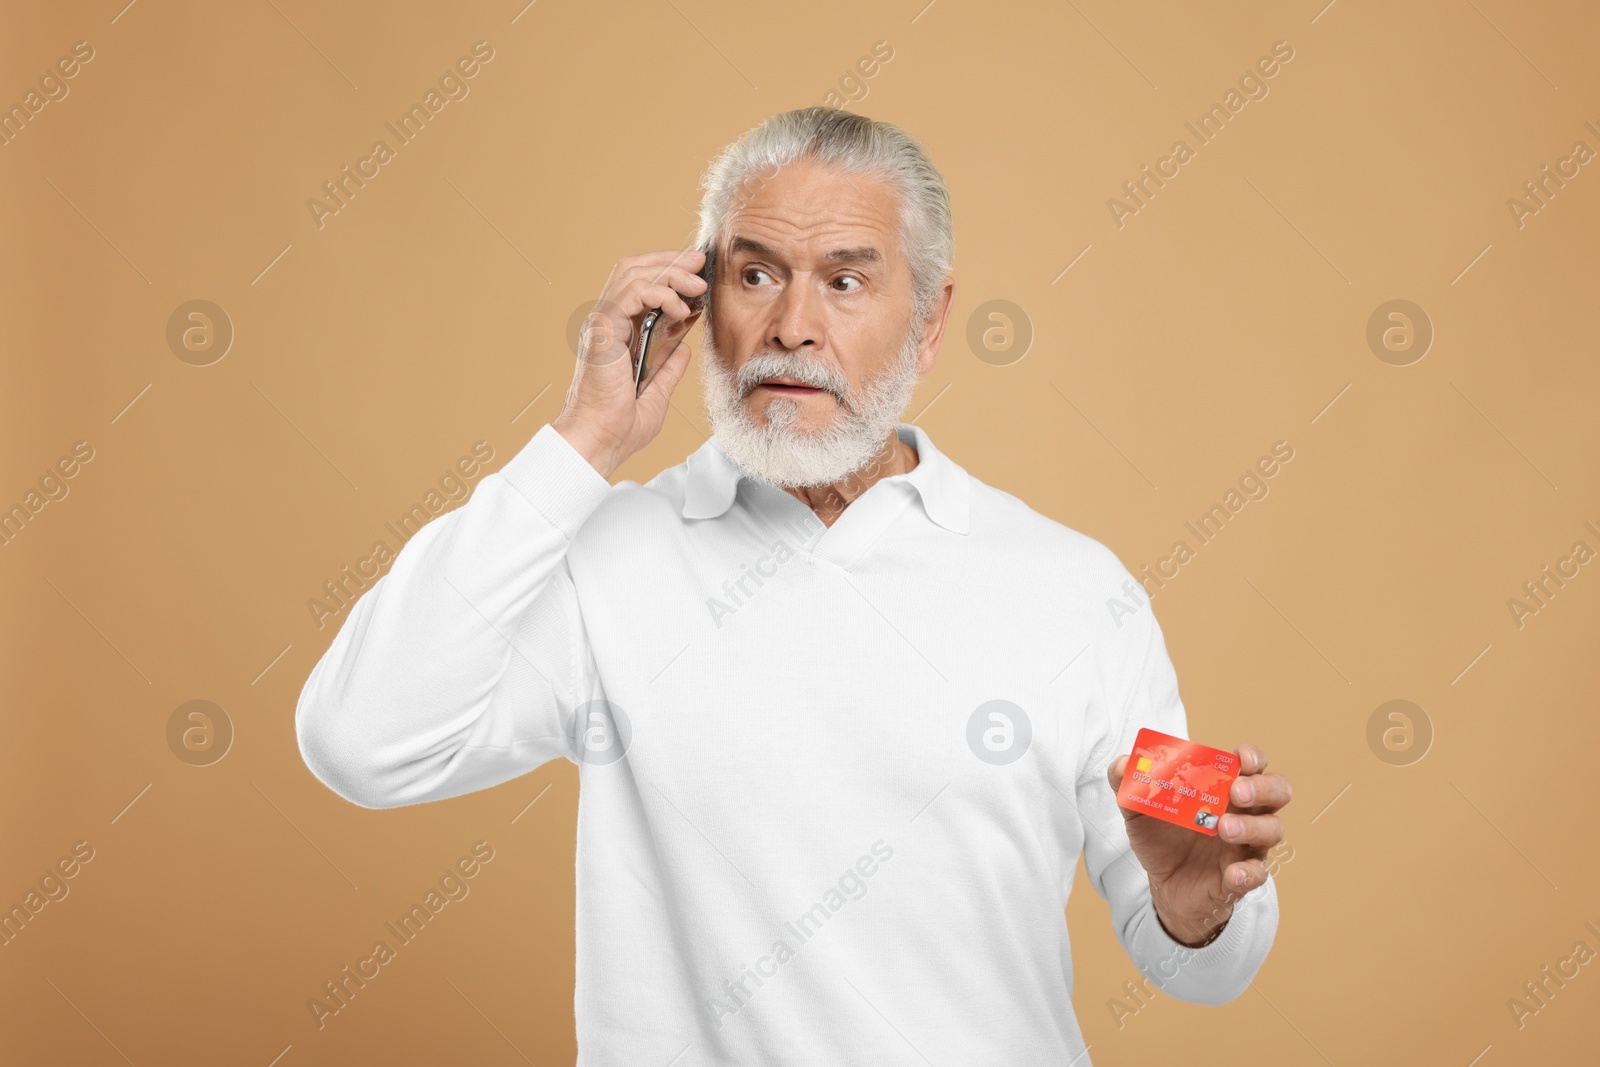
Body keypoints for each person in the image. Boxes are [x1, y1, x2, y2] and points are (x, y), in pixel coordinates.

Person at [296, 105, 1292, 1064]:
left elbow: (1202, 959)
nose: (793, 326)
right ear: (699, 302)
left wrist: (1200, 908)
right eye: (755, 273)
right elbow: (361, 741)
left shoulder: (1078, 585)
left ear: (930, 321)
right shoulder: (607, 553)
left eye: (847, 282)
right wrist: (584, 438)